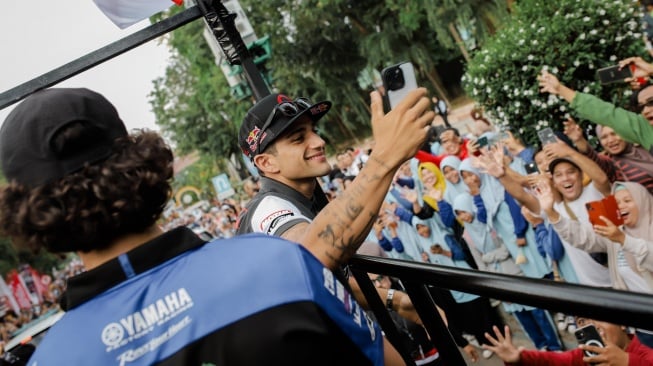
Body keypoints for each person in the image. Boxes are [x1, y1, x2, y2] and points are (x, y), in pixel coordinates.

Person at [0, 88, 431, 365]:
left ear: (30, 213)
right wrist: (382, 160)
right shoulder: (277, 262)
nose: (315, 142)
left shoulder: (55, 358)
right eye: (297, 137)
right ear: (144, 165)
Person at [537, 63, 653, 151]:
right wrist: (561, 89)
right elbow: (604, 112)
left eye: (651, 102)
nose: (646, 110)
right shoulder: (644, 128)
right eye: (641, 107)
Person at [483, 320, 653, 366]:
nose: (593, 325)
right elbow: (554, 361)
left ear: (622, 323)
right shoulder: (587, 356)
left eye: (599, 316)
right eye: (582, 321)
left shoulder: (645, 349)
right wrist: (520, 358)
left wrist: (626, 362)